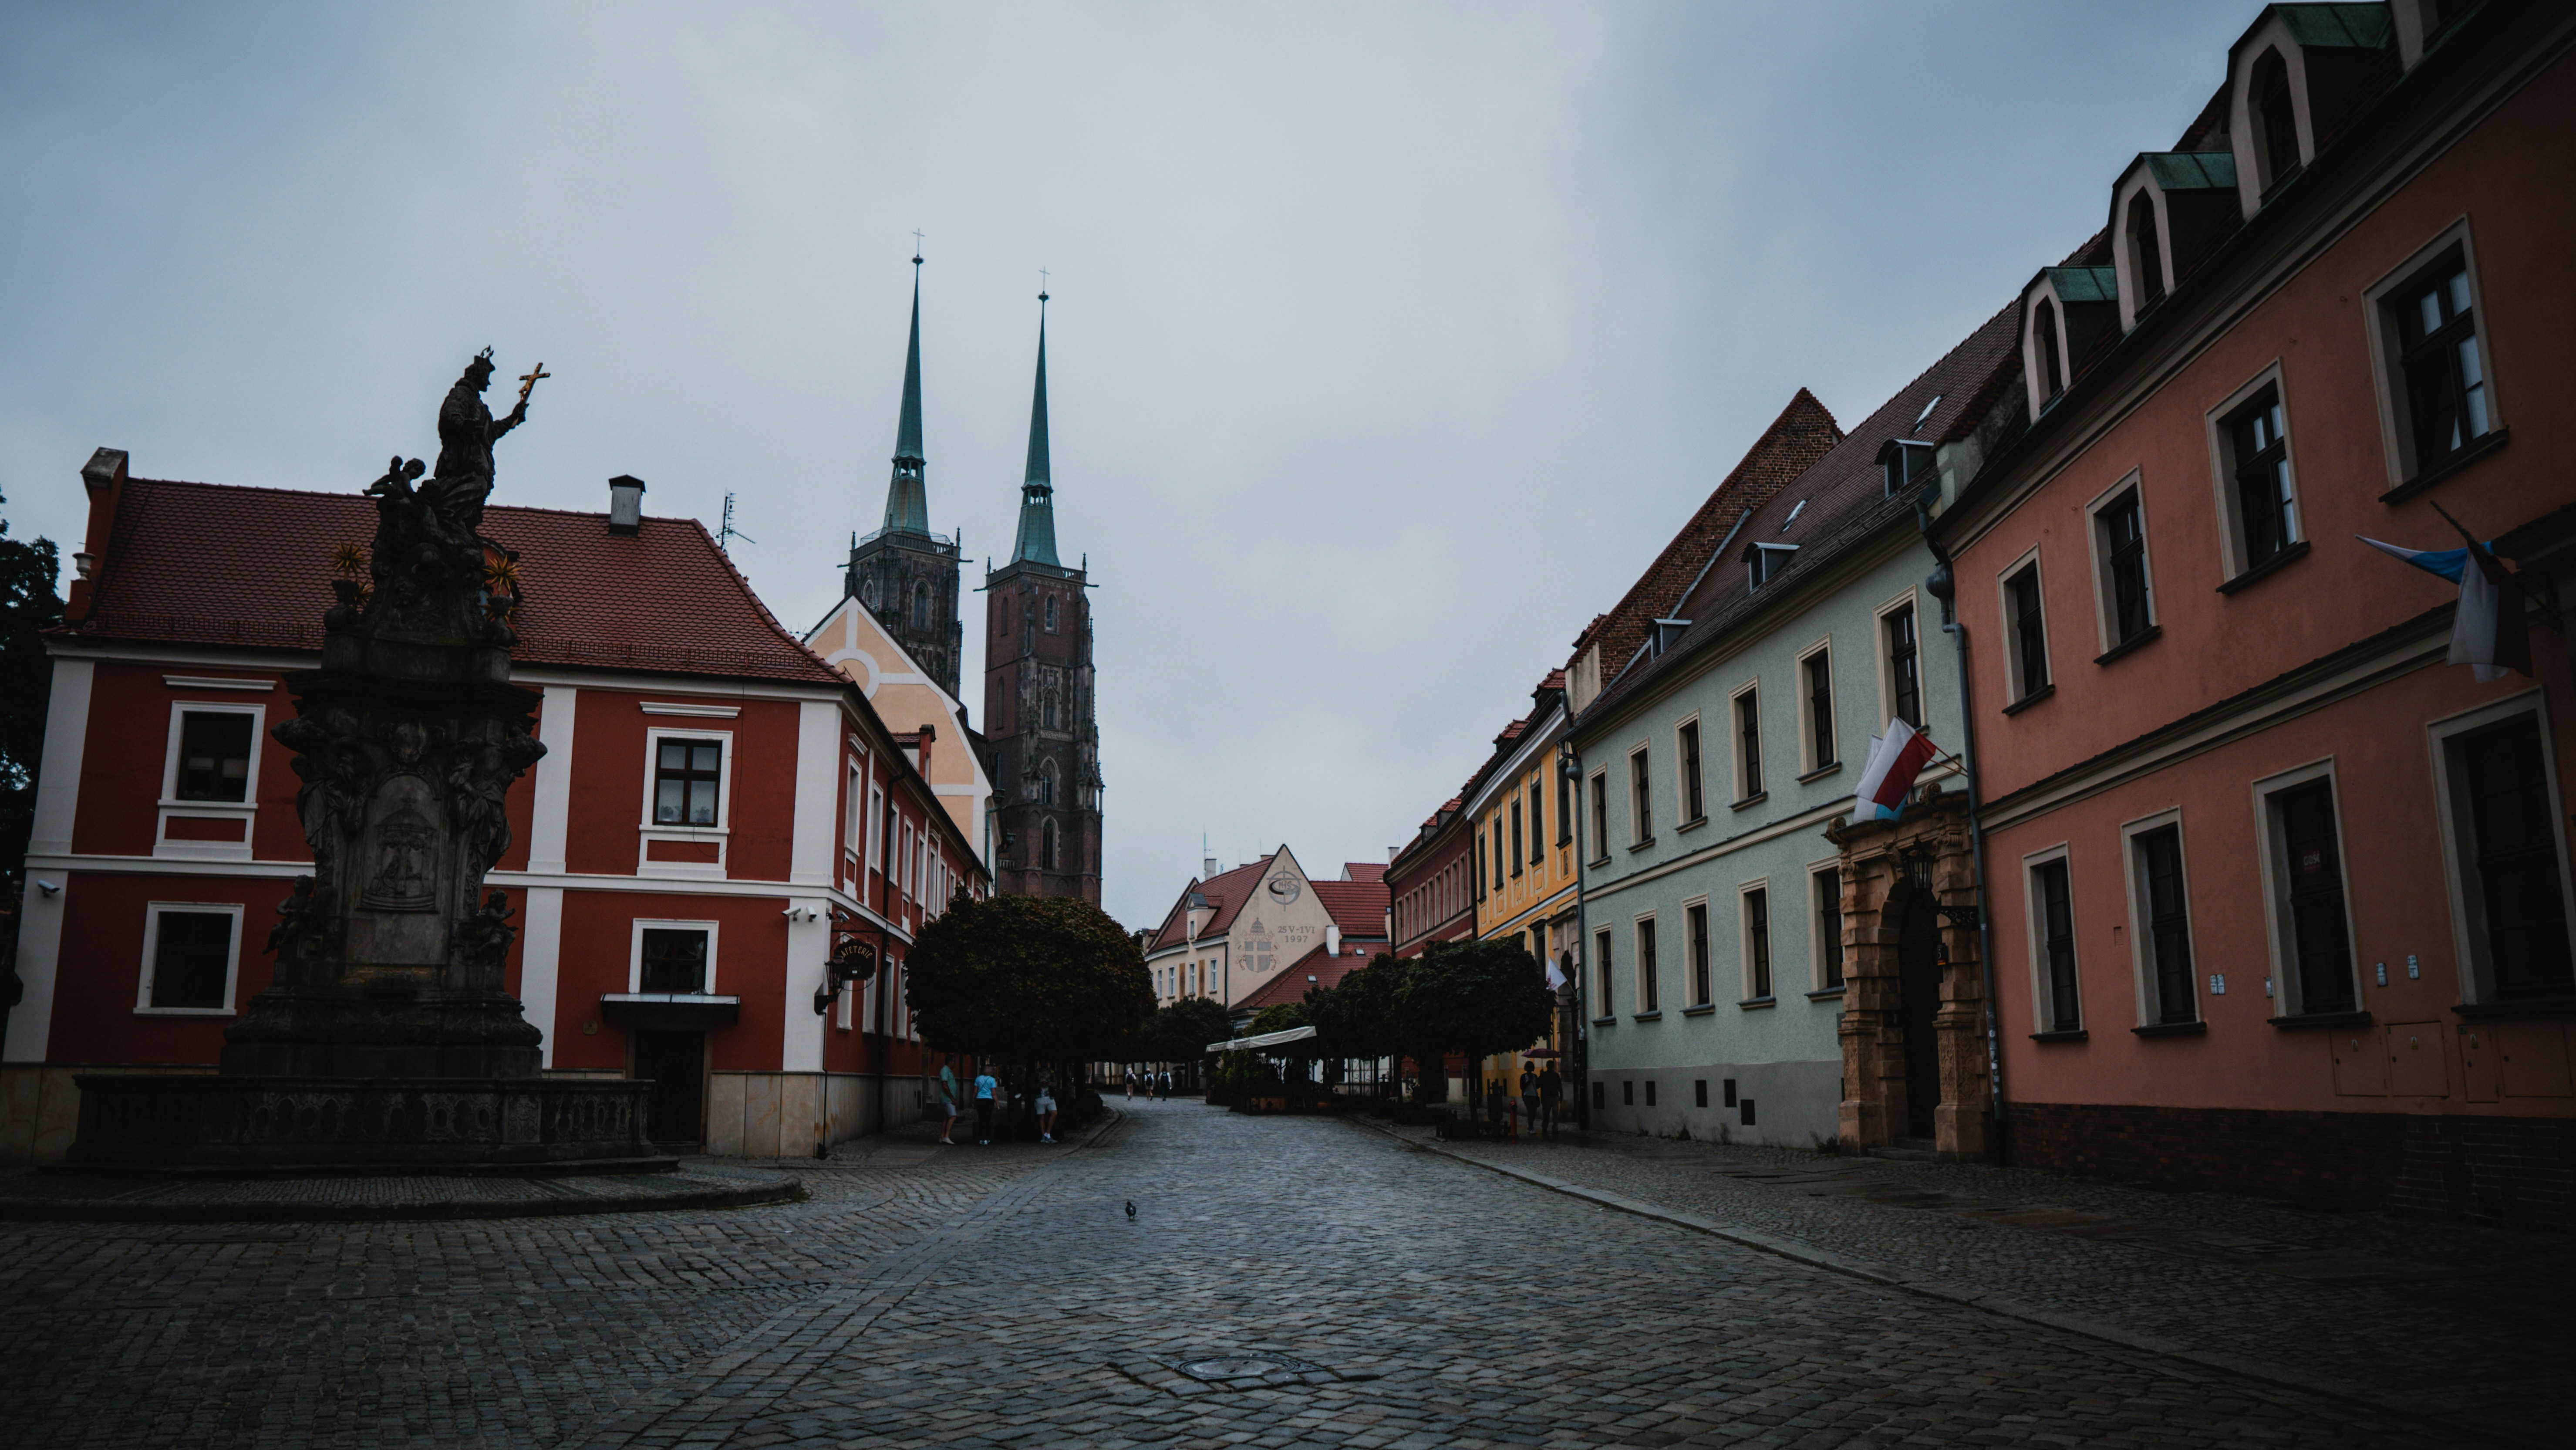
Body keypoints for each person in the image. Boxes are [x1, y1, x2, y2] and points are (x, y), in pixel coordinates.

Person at [973, 1067, 998, 1144]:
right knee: (987, 1119)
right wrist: (998, 1104)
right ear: (991, 1072)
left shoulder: (978, 1079)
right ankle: (986, 1138)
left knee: (981, 1119)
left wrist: (973, 1100)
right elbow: (993, 1093)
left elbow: (975, 1091)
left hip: (979, 1100)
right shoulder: (992, 1080)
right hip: (989, 1100)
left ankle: (981, 1138)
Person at [1538, 1064, 1562, 1138]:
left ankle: (1553, 1128)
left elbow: (1560, 1086)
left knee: (1553, 1113)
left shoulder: (1556, 1075)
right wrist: (1541, 1076)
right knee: (1547, 1113)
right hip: (1548, 1097)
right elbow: (1538, 1085)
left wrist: (1561, 1095)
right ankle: (1546, 1127)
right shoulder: (1545, 1075)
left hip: (1554, 1097)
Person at [1520, 1065, 1541, 1138]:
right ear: (1526, 1069)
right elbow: (1522, 1087)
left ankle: (1530, 1126)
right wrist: (1529, 1081)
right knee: (1530, 1111)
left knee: (1534, 1112)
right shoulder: (1523, 1076)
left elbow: (1538, 1086)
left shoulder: (1535, 1076)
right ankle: (1531, 1128)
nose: (1529, 1070)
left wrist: (1540, 1076)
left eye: (1531, 1068)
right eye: (1528, 1068)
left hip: (1534, 1096)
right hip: (1527, 1096)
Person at [1035, 1079, 1059, 1143]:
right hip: (1040, 1097)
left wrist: (1051, 1084)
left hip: (1050, 1097)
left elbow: (1056, 1084)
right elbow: (1032, 1085)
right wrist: (1040, 1084)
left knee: (1054, 1113)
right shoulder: (1037, 1074)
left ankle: (1048, 1134)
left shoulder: (1051, 1074)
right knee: (1042, 1117)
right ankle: (1044, 1136)